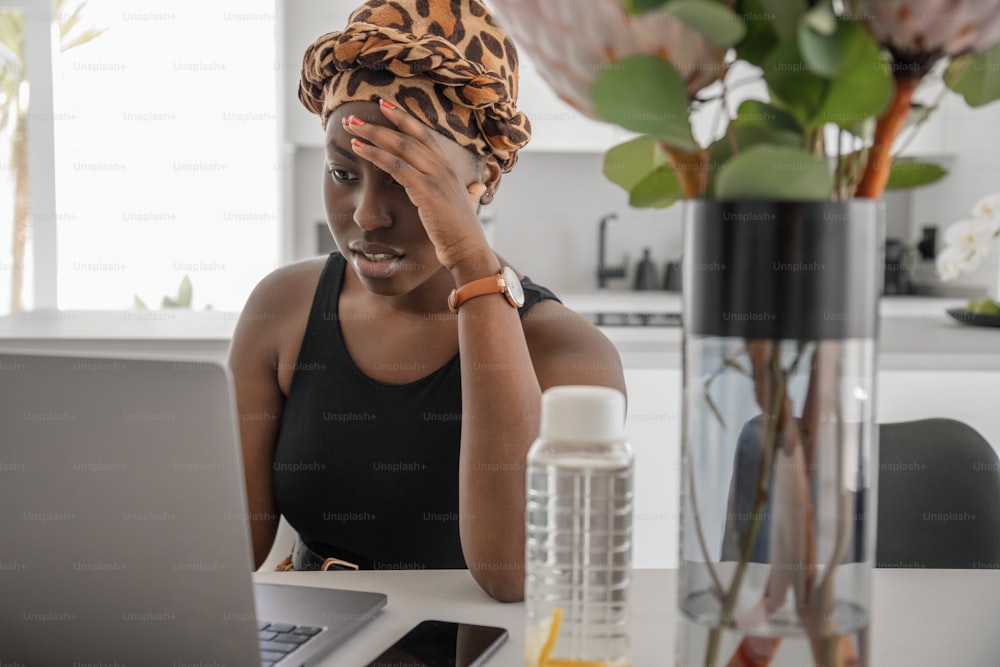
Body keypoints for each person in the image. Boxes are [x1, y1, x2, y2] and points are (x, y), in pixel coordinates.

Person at [228, 0, 626, 602]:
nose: (366, 214)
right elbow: (228, 549)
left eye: (408, 179)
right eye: (343, 174)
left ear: (484, 177)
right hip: (317, 639)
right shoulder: (282, 308)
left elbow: (514, 574)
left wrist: (472, 262)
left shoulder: (567, 353)